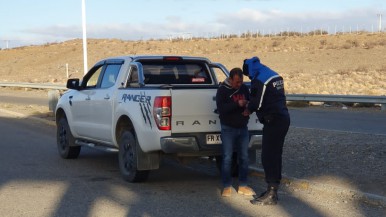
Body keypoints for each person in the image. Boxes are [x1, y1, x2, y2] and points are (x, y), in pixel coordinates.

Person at [243, 56, 290, 205]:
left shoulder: (260, 79)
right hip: (282, 118)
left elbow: (257, 102)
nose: (249, 77)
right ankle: (272, 190)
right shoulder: (272, 74)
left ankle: (271, 193)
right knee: (275, 155)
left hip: (274, 120)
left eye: (248, 74)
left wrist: (247, 109)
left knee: (269, 157)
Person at [216, 67, 255, 197]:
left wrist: (248, 110)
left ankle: (243, 185)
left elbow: (250, 102)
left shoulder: (244, 89)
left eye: (241, 81)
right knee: (227, 158)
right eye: (237, 82)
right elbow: (222, 109)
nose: (239, 84)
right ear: (230, 79)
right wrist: (237, 104)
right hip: (228, 129)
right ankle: (227, 186)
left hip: (243, 128)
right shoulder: (222, 90)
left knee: (244, 157)